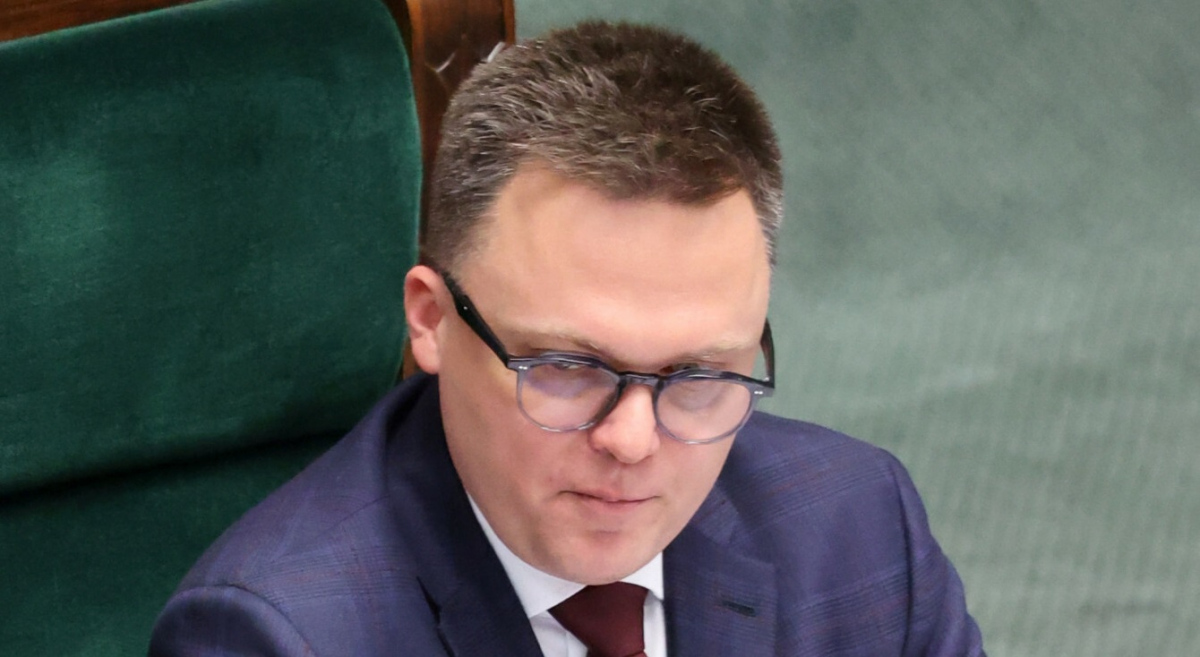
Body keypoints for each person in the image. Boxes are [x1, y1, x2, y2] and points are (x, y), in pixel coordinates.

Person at [150, 21, 984, 656]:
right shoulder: (276, 637)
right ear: (432, 319)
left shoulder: (858, 525)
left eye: (699, 373)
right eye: (567, 367)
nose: (633, 441)